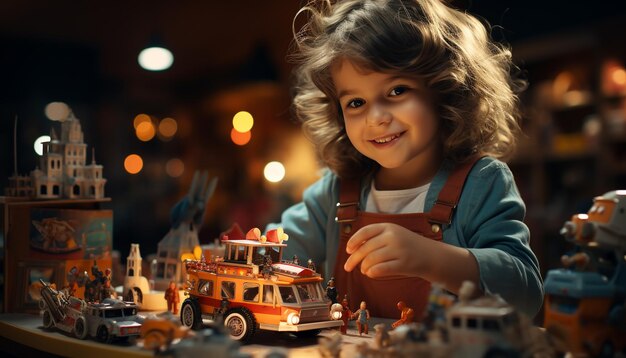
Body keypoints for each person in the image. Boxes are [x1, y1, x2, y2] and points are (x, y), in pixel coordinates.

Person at [270, 0, 543, 319]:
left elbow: (526, 294)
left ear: (445, 87)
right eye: (356, 102)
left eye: (397, 91)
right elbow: (275, 251)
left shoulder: (481, 182)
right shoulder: (334, 192)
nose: (376, 118)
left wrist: (431, 258)